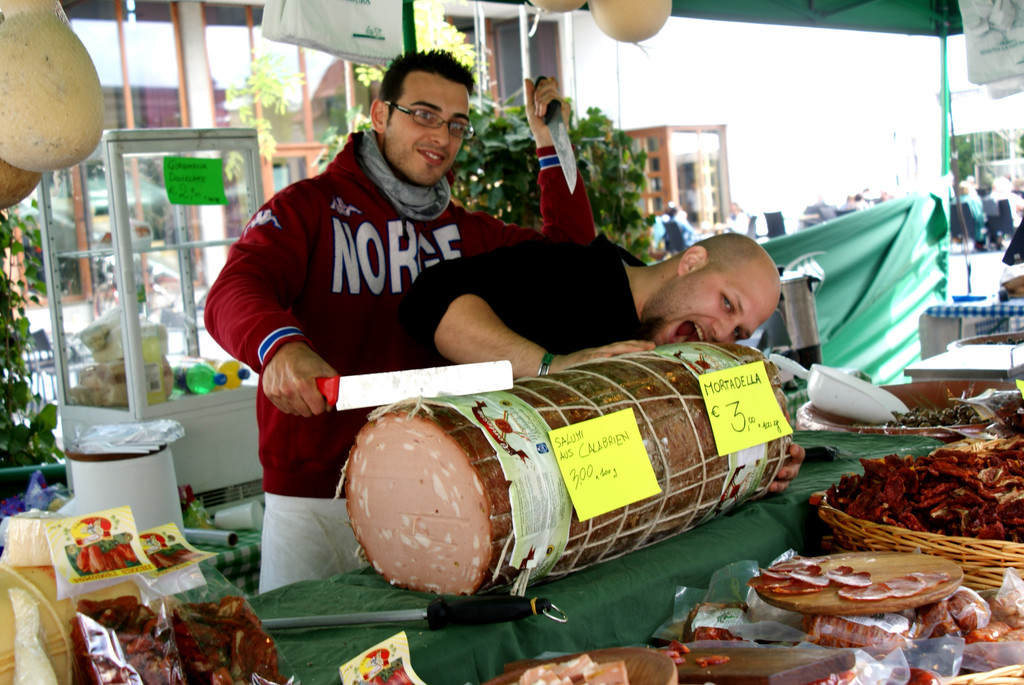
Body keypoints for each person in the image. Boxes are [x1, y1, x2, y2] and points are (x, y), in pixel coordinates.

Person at [203, 50, 596, 593]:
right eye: (424, 114)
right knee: (304, 668)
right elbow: (233, 289)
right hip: (317, 502)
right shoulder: (307, 208)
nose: (443, 135)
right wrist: (281, 347)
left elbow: (576, 267)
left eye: (458, 124)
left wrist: (554, 144)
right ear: (380, 115)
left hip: (435, 494)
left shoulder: (471, 235)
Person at [399, 231, 806, 494]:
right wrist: (551, 368)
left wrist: (766, 454)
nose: (722, 333)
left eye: (739, 331)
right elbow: (426, 301)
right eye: (726, 303)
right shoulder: (573, 273)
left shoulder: (689, 351)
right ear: (692, 261)